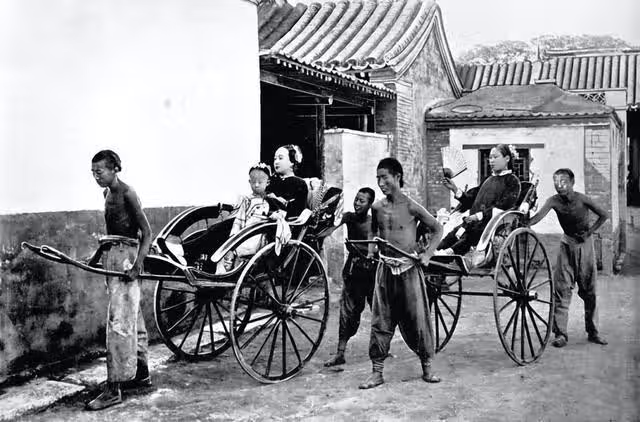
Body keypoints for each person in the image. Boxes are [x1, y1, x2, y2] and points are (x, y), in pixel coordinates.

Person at [359, 157, 443, 389]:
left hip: (408, 270)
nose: (380, 183)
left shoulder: (411, 206)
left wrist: (427, 255)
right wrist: (371, 250)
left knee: (418, 319)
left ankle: (427, 367)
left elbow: (438, 229)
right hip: (385, 270)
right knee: (380, 320)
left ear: (397, 177)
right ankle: (377, 372)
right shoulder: (377, 207)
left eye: (384, 178)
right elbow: (373, 231)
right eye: (377, 179)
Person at [86, 150, 152, 411]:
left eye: (100, 171)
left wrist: (137, 266)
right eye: (93, 172)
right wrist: (95, 258)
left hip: (127, 260)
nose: (96, 176)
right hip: (113, 255)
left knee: (119, 324)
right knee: (133, 318)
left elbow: (146, 233)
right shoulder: (107, 194)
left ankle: (114, 389)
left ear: (114, 169)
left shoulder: (128, 193)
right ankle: (141, 374)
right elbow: (111, 235)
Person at [526, 168, 608, 348]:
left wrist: (590, 232)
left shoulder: (582, 199)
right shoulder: (553, 201)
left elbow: (604, 215)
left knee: (590, 291)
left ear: (572, 182)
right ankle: (560, 334)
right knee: (561, 290)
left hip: (585, 247)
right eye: (556, 182)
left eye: (563, 182)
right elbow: (539, 216)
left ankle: (593, 332)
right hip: (566, 246)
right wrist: (525, 222)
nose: (559, 185)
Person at [324, 187, 377, 367]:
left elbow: (378, 244)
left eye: (362, 201)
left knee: (379, 312)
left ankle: (381, 349)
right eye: (356, 199)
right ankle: (340, 353)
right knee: (347, 313)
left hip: (372, 273)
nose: (357, 203)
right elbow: (331, 228)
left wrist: (370, 252)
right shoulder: (349, 217)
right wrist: (318, 234)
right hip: (353, 272)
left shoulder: (373, 222)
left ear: (369, 204)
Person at [438, 144, 521, 256]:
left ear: (507, 158)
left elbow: (504, 206)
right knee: (452, 235)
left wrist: (478, 216)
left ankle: (447, 254)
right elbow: (470, 200)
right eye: (490, 158)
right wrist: (454, 189)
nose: (491, 161)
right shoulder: (488, 180)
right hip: (472, 223)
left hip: (490, 225)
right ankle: (434, 252)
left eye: (495, 157)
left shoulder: (512, 181)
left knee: (467, 237)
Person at [217, 163, 271, 273]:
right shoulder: (246, 200)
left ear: (267, 182)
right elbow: (239, 220)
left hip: (259, 237)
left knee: (238, 250)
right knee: (226, 250)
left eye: (260, 182)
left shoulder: (270, 200)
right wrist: (233, 238)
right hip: (245, 234)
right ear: (249, 182)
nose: (256, 185)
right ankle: (223, 272)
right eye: (253, 182)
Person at [265, 144, 309, 218]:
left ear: (292, 162)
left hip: (289, 220)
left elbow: (299, 209)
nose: (276, 162)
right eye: (275, 159)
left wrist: (278, 200)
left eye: (280, 158)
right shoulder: (271, 180)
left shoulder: (299, 183)